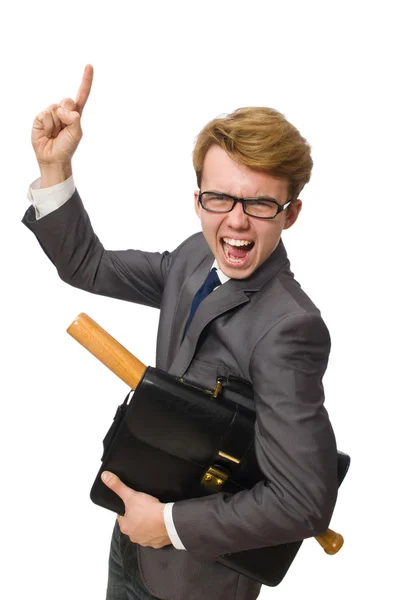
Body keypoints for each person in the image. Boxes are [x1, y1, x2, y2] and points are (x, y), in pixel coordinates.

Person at [22, 64, 338, 600]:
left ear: (291, 214)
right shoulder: (195, 258)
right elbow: (87, 265)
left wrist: (168, 526)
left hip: (196, 579)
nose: (236, 222)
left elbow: (304, 502)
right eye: (220, 198)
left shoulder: (290, 329)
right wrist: (55, 167)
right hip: (130, 536)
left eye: (260, 203)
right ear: (198, 200)